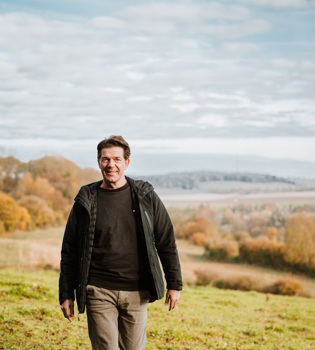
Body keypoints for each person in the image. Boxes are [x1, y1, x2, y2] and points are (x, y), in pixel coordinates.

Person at [59, 135, 182, 350]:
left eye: (116, 159)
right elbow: (69, 249)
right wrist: (66, 293)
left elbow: (166, 240)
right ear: (98, 162)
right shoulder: (86, 199)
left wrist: (174, 283)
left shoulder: (146, 197)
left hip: (137, 290)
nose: (111, 165)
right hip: (98, 289)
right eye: (105, 159)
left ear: (127, 162)